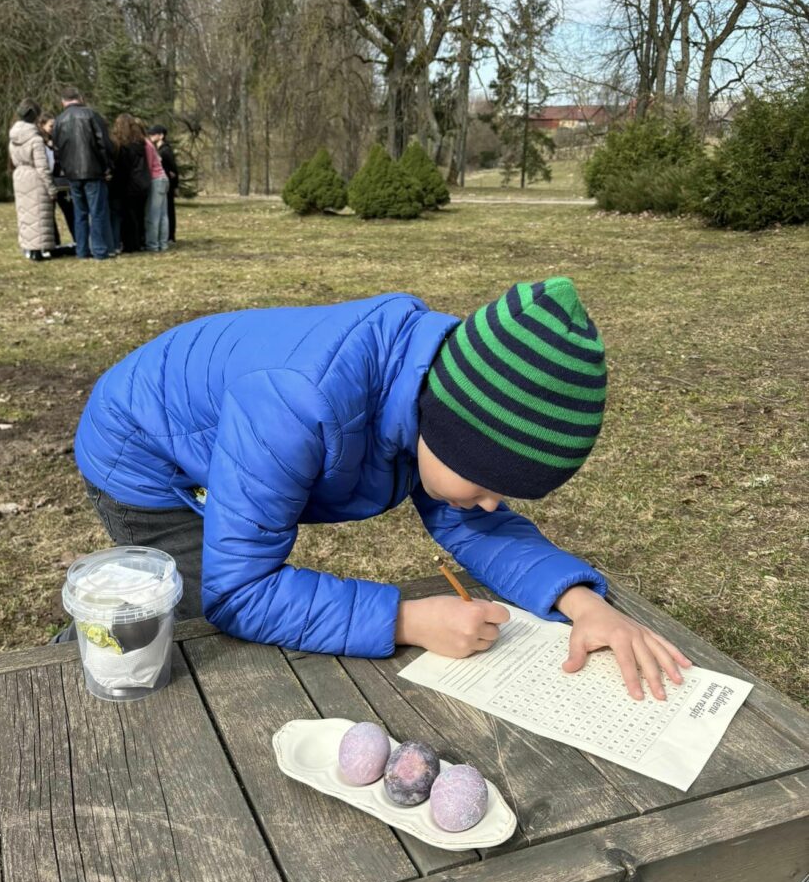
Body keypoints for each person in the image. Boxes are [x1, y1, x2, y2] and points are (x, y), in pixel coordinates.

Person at [67, 280, 692, 700]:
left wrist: (584, 603)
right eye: (489, 482)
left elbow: (476, 519)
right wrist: (405, 619)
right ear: (449, 432)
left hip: (237, 427)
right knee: (180, 611)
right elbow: (242, 590)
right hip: (145, 452)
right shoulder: (299, 402)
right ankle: (77, 641)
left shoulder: (440, 387)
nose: (493, 502)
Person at [51, 86, 114, 261]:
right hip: (93, 170)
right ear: (79, 98)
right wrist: (107, 166)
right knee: (97, 211)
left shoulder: (58, 121)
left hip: (72, 173)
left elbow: (57, 150)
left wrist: (64, 168)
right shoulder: (91, 115)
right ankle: (100, 251)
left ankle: (82, 250)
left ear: (63, 101)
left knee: (80, 212)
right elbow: (103, 143)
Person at [8, 99, 56, 262]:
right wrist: (51, 188)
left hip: (20, 176)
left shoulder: (13, 138)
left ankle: (28, 247)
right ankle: (40, 248)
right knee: (39, 214)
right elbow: (42, 166)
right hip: (34, 177)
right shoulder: (35, 140)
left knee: (25, 215)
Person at [109, 114, 150, 254]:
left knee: (127, 215)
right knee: (139, 214)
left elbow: (123, 169)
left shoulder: (124, 147)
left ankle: (130, 244)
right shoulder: (141, 144)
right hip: (142, 183)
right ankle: (140, 241)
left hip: (128, 184)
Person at [37, 111, 75, 247]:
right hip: (49, 182)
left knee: (71, 212)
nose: (54, 129)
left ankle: (78, 240)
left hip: (63, 183)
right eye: (51, 126)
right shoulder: (39, 143)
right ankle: (54, 242)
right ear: (42, 126)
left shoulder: (59, 140)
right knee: (49, 215)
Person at [148, 125, 179, 242]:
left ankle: (170, 235)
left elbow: (174, 170)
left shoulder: (165, 151)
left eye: (153, 134)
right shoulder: (159, 149)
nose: (151, 136)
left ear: (161, 136)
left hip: (167, 183)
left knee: (168, 209)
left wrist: (175, 185)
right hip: (166, 181)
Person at [143, 126, 169, 252]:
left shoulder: (147, 146)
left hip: (156, 179)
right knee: (163, 214)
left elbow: (148, 166)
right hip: (163, 178)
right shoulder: (152, 146)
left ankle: (152, 244)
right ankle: (163, 243)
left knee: (153, 214)